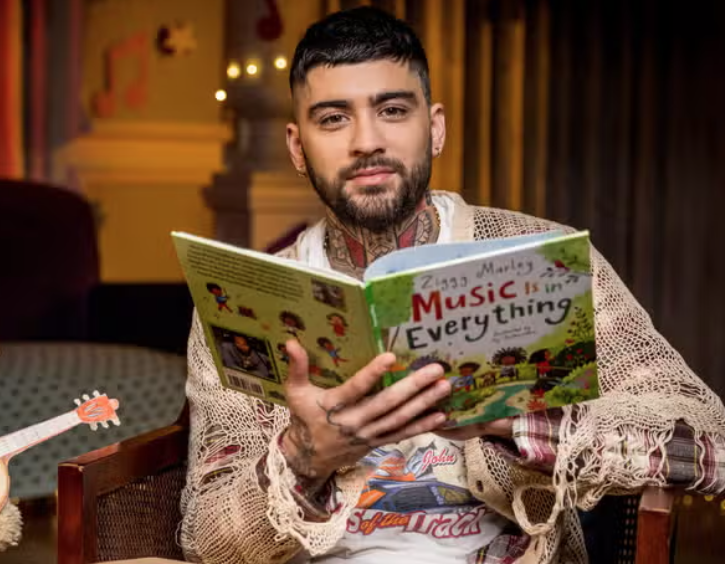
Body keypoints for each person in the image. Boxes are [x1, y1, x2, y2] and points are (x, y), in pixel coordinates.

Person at [178, 7, 725, 564]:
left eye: (392, 110)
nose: (367, 141)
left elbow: (709, 447)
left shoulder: (540, 261)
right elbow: (209, 541)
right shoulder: (243, 304)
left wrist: (514, 421)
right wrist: (305, 454)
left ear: (434, 128)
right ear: (298, 147)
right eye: (334, 118)